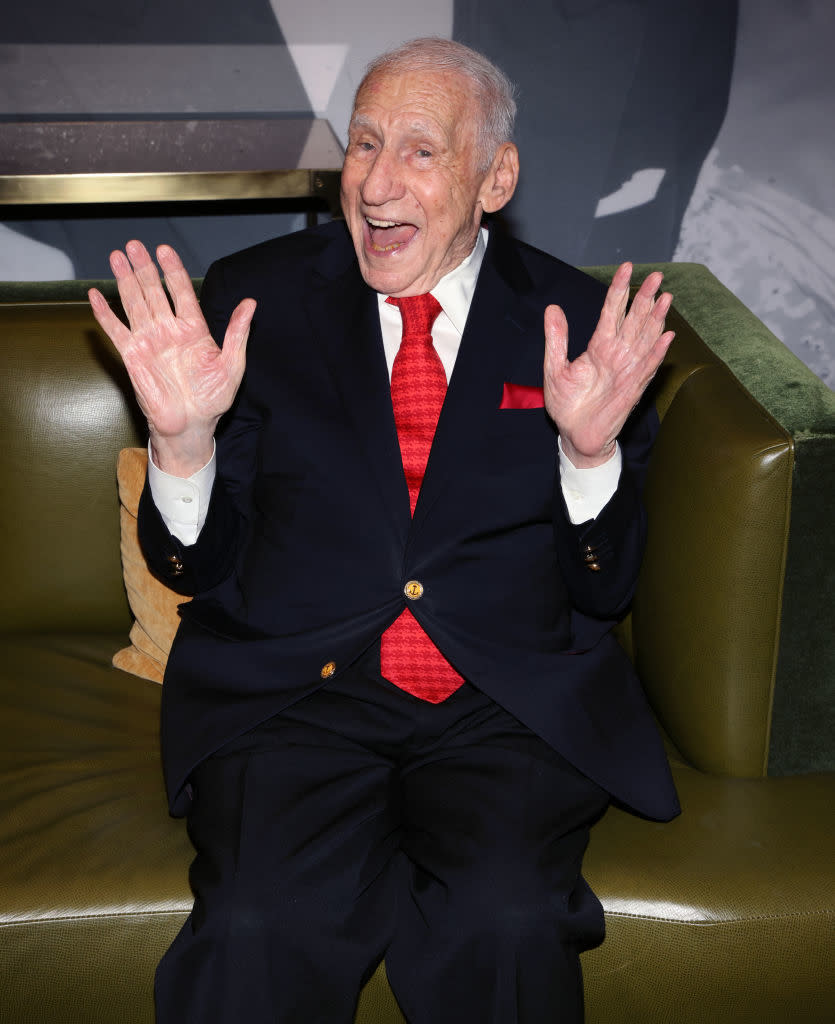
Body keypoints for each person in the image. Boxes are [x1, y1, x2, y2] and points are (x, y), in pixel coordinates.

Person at [89, 36, 679, 1024]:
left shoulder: (579, 325)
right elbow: (197, 560)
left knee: (505, 924)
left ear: (495, 177)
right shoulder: (254, 301)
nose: (375, 183)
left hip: (502, 702)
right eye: (362, 145)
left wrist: (586, 455)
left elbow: (604, 587)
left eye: (418, 150)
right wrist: (181, 443)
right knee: (252, 926)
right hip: (295, 696)